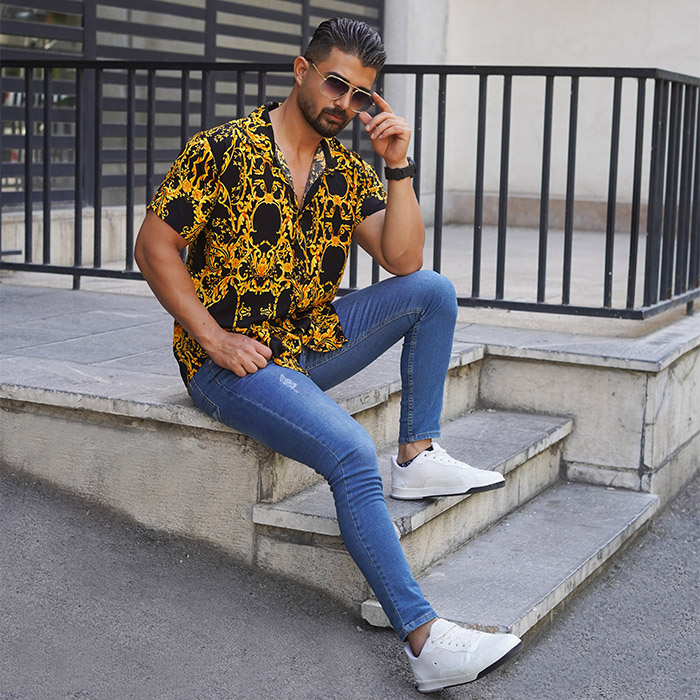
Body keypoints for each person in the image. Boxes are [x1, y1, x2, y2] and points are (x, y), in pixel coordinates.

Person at [134, 16, 521, 693]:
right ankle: (425, 640)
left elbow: (404, 259)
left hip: (311, 342)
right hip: (233, 364)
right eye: (336, 83)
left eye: (361, 94)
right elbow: (153, 246)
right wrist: (212, 337)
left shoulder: (345, 170)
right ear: (301, 71)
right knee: (349, 450)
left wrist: (397, 164)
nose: (345, 102)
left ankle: (417, 455)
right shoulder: (224, 149)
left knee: (431, 291)